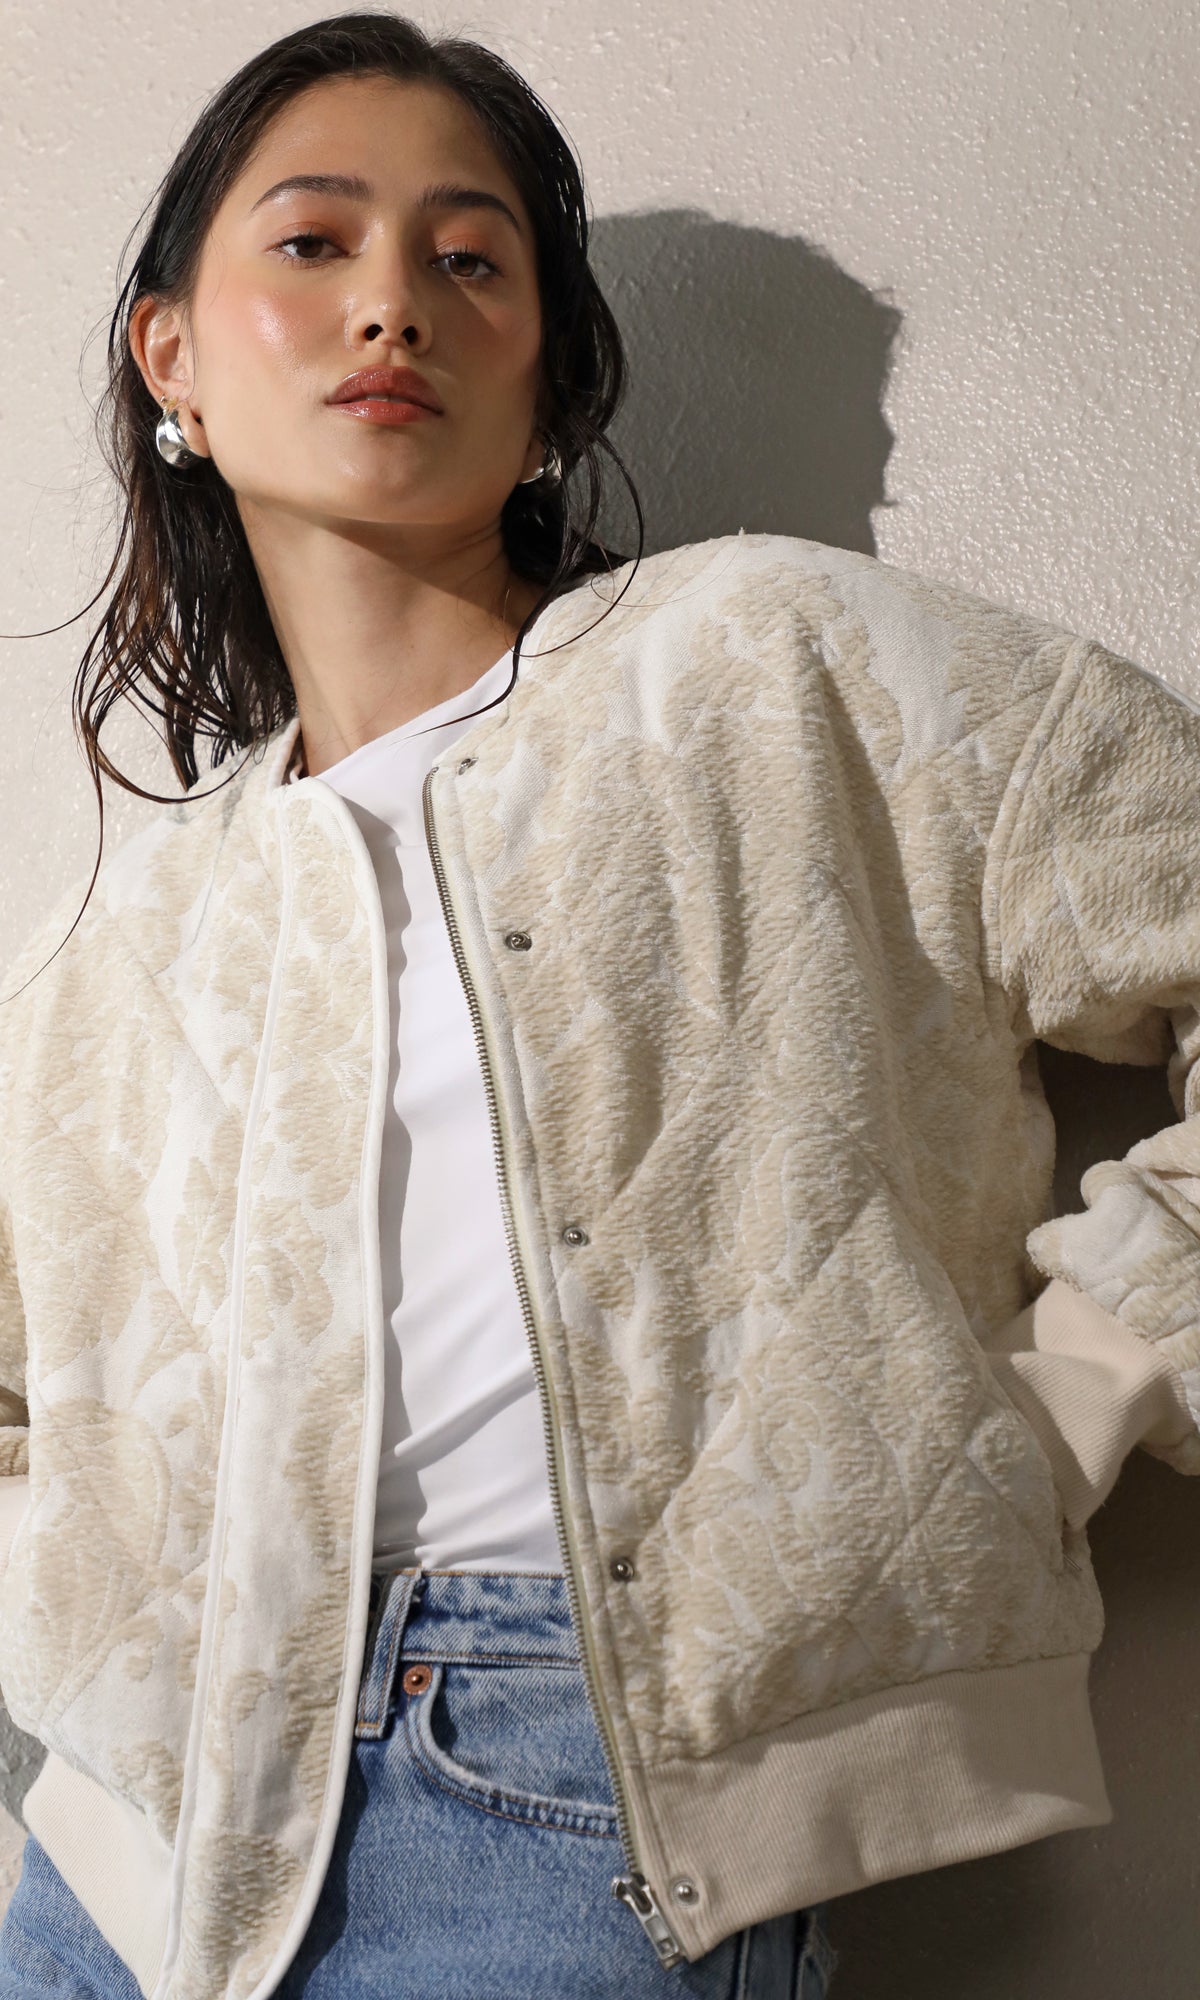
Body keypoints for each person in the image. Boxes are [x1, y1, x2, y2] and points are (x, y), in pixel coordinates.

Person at [0, 10, 1197, 1999]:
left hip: (581, 1800)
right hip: (124, 1860)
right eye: (312, 241)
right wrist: (81, 1608)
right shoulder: (123, 923)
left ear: (552, 386)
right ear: (172, 358)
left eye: (471, 257)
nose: (395, 300)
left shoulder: (782, 661)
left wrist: (1060, 1403)